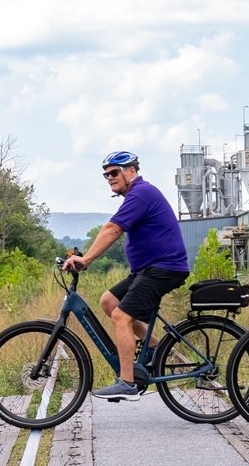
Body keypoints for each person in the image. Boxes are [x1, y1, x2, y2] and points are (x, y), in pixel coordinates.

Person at [64, 150, 189, 401]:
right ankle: (155, 347)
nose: (109, 178)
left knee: (121, 316)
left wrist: (86, 259)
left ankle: (127, 382)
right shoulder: (135, 195)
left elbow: (113, 228)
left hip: (163, 268)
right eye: (106, 175)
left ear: (131, 172)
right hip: (149, 269)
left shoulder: (141, 193)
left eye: (114, 172)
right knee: (109, 301)